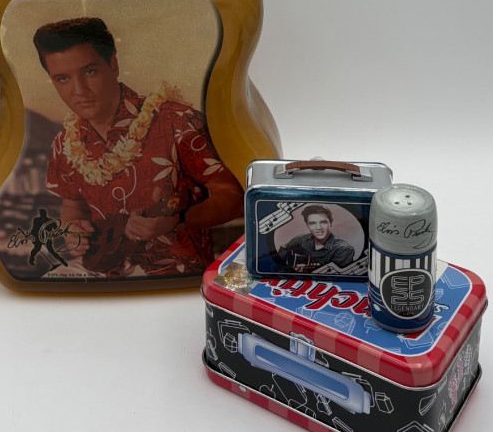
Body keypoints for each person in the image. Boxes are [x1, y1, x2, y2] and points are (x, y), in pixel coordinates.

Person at [34, 17, 243, 279]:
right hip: (100, 273)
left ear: (113, 65)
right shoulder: (64, 143)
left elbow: (235, 198)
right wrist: (72, 228)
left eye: (90, 72)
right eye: (63, 78)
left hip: (177, 275)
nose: (79, 90)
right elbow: (73, 206)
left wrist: (178, 220)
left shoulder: (177, 121)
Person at [280, 204, 356, 273]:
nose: (319, 227)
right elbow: (282, 252)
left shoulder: (343, 249)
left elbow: (333, 276)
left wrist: (306, 269)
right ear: (307, 226)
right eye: (312, 223)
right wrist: (289, 264)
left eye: (323, 222)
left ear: (330, 223)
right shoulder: (300, 239)